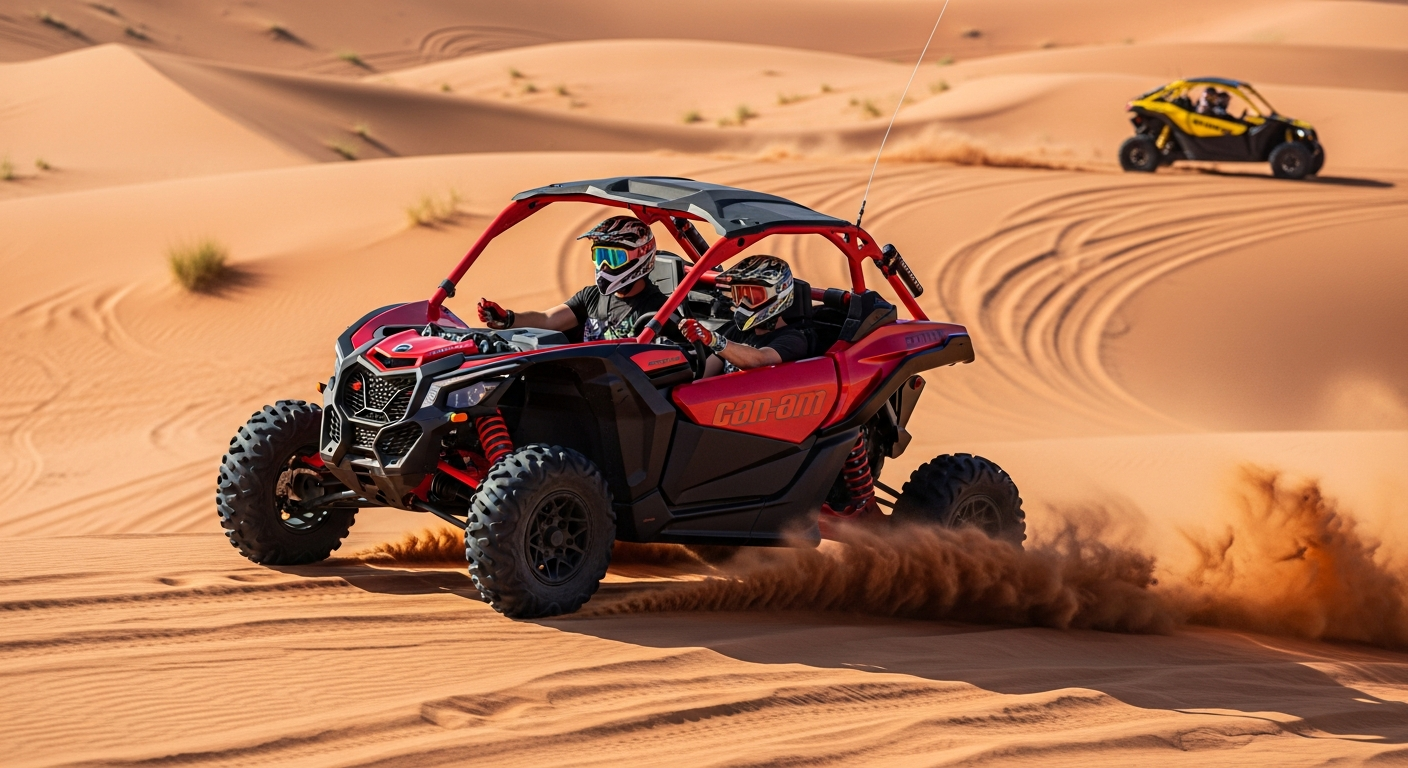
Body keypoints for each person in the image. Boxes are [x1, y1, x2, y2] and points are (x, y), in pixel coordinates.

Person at [477, 215, 681, 343]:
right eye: (599, 256)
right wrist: (507, 319)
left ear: (641, 256)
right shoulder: (591, 296)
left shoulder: (659, 309)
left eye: (613, 258)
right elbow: (547, 320)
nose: (604, 266)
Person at [679, 255, 810, 377]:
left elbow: (761, 360)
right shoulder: (738, 332)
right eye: (738, 294)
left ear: (778, 294)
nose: (742, 302)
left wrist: (713, 340)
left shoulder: (794, 339)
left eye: (751, 296)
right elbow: (701, 379)